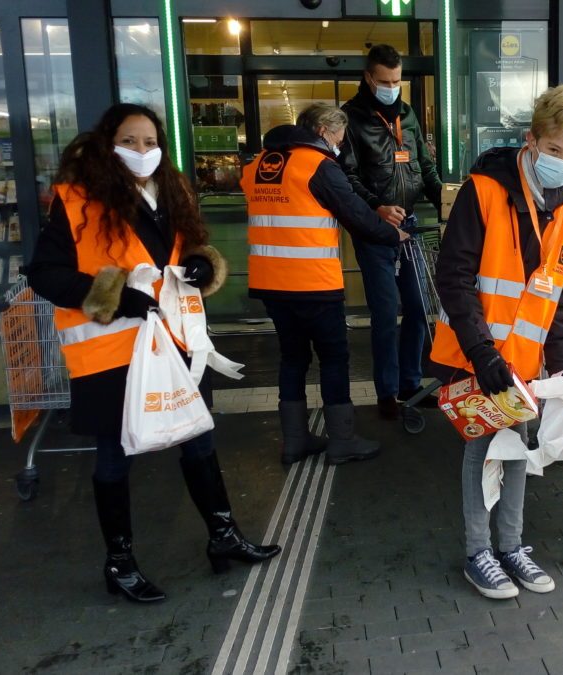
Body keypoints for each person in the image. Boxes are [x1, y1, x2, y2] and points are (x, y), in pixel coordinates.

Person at [27, 103, 279, 604]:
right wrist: (116, 295)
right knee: (116, 456)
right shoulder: (77, 200)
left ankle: (223, 535)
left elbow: (190, 251)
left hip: (176, 341)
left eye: (149, 142)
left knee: (199, 440)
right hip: (113, 352)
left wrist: (203, 268)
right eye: (129, 141)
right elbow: (46, 273)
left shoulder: (173, 191)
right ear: (107, 144)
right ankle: (119, 562)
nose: (142, 151)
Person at [430, 85, 563, 599]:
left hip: (522, 362)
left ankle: (511, 546)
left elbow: (561, 301)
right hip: (475, 355)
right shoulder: (483, 192)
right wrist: (483, 357)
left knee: (520, 448)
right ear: (531, 141)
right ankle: (480, 552)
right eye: (555, 151)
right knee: (483, 450)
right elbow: (454, 278)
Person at [243, 103, 409, 466]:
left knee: (293, 359)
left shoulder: (257, 166)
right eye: (337, 136)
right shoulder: (318, 166)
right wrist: (393, 234)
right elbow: (356, 215)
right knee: (334, 359)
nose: (339, 144)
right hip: (313, 282)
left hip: (270, 283)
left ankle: (294, 442)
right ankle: (343, 440)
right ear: (321, 131)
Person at [340, 43, 443, 420]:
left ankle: (410, 384)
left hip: (411, 224)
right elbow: (347, 176)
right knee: (385, 313)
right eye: (384, 81)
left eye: (397, 80)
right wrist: (377, 208)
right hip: (374, 229)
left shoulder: (408, 114)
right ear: (369, 77)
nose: (391, 87)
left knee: (417, 309)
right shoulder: (351, 118)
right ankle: (386, 391)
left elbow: (425, 166)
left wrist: (449, 201)